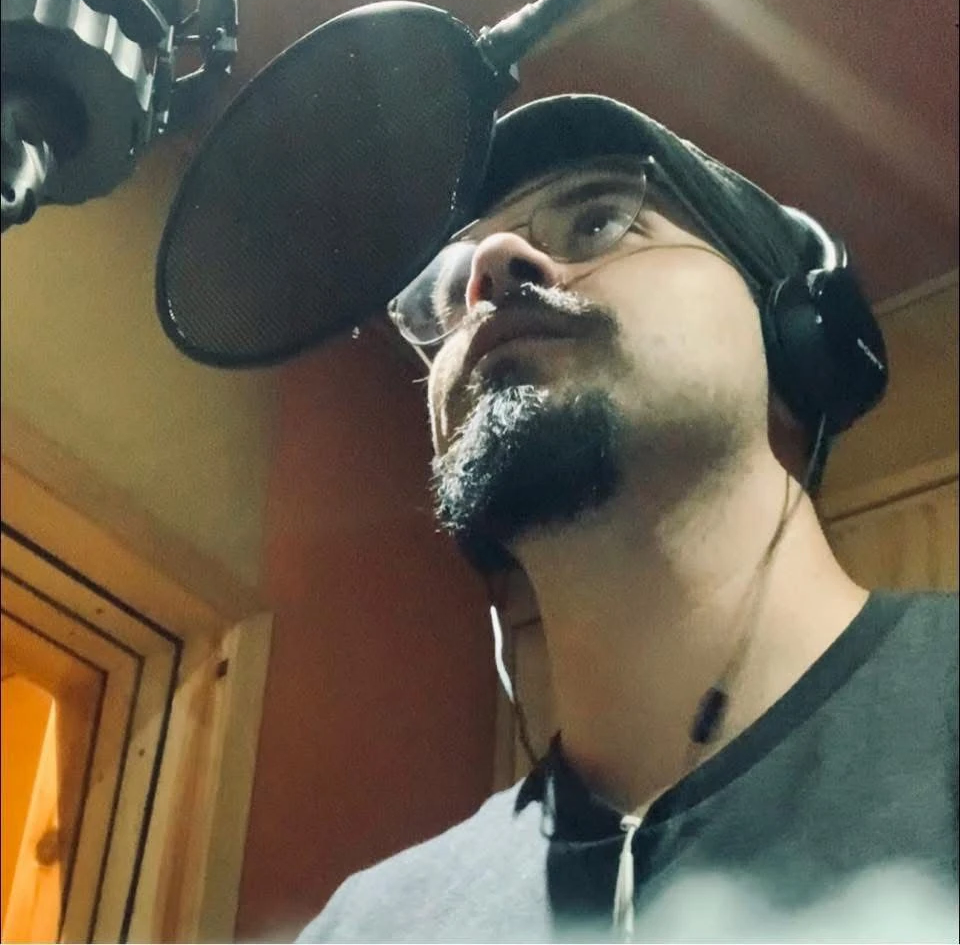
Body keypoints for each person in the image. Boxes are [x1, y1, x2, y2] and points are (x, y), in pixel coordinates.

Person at [297, 94, 958, 943]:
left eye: (600, 219)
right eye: (449, 294)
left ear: (797, 342)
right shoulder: (367, 926)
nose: (488, 267)